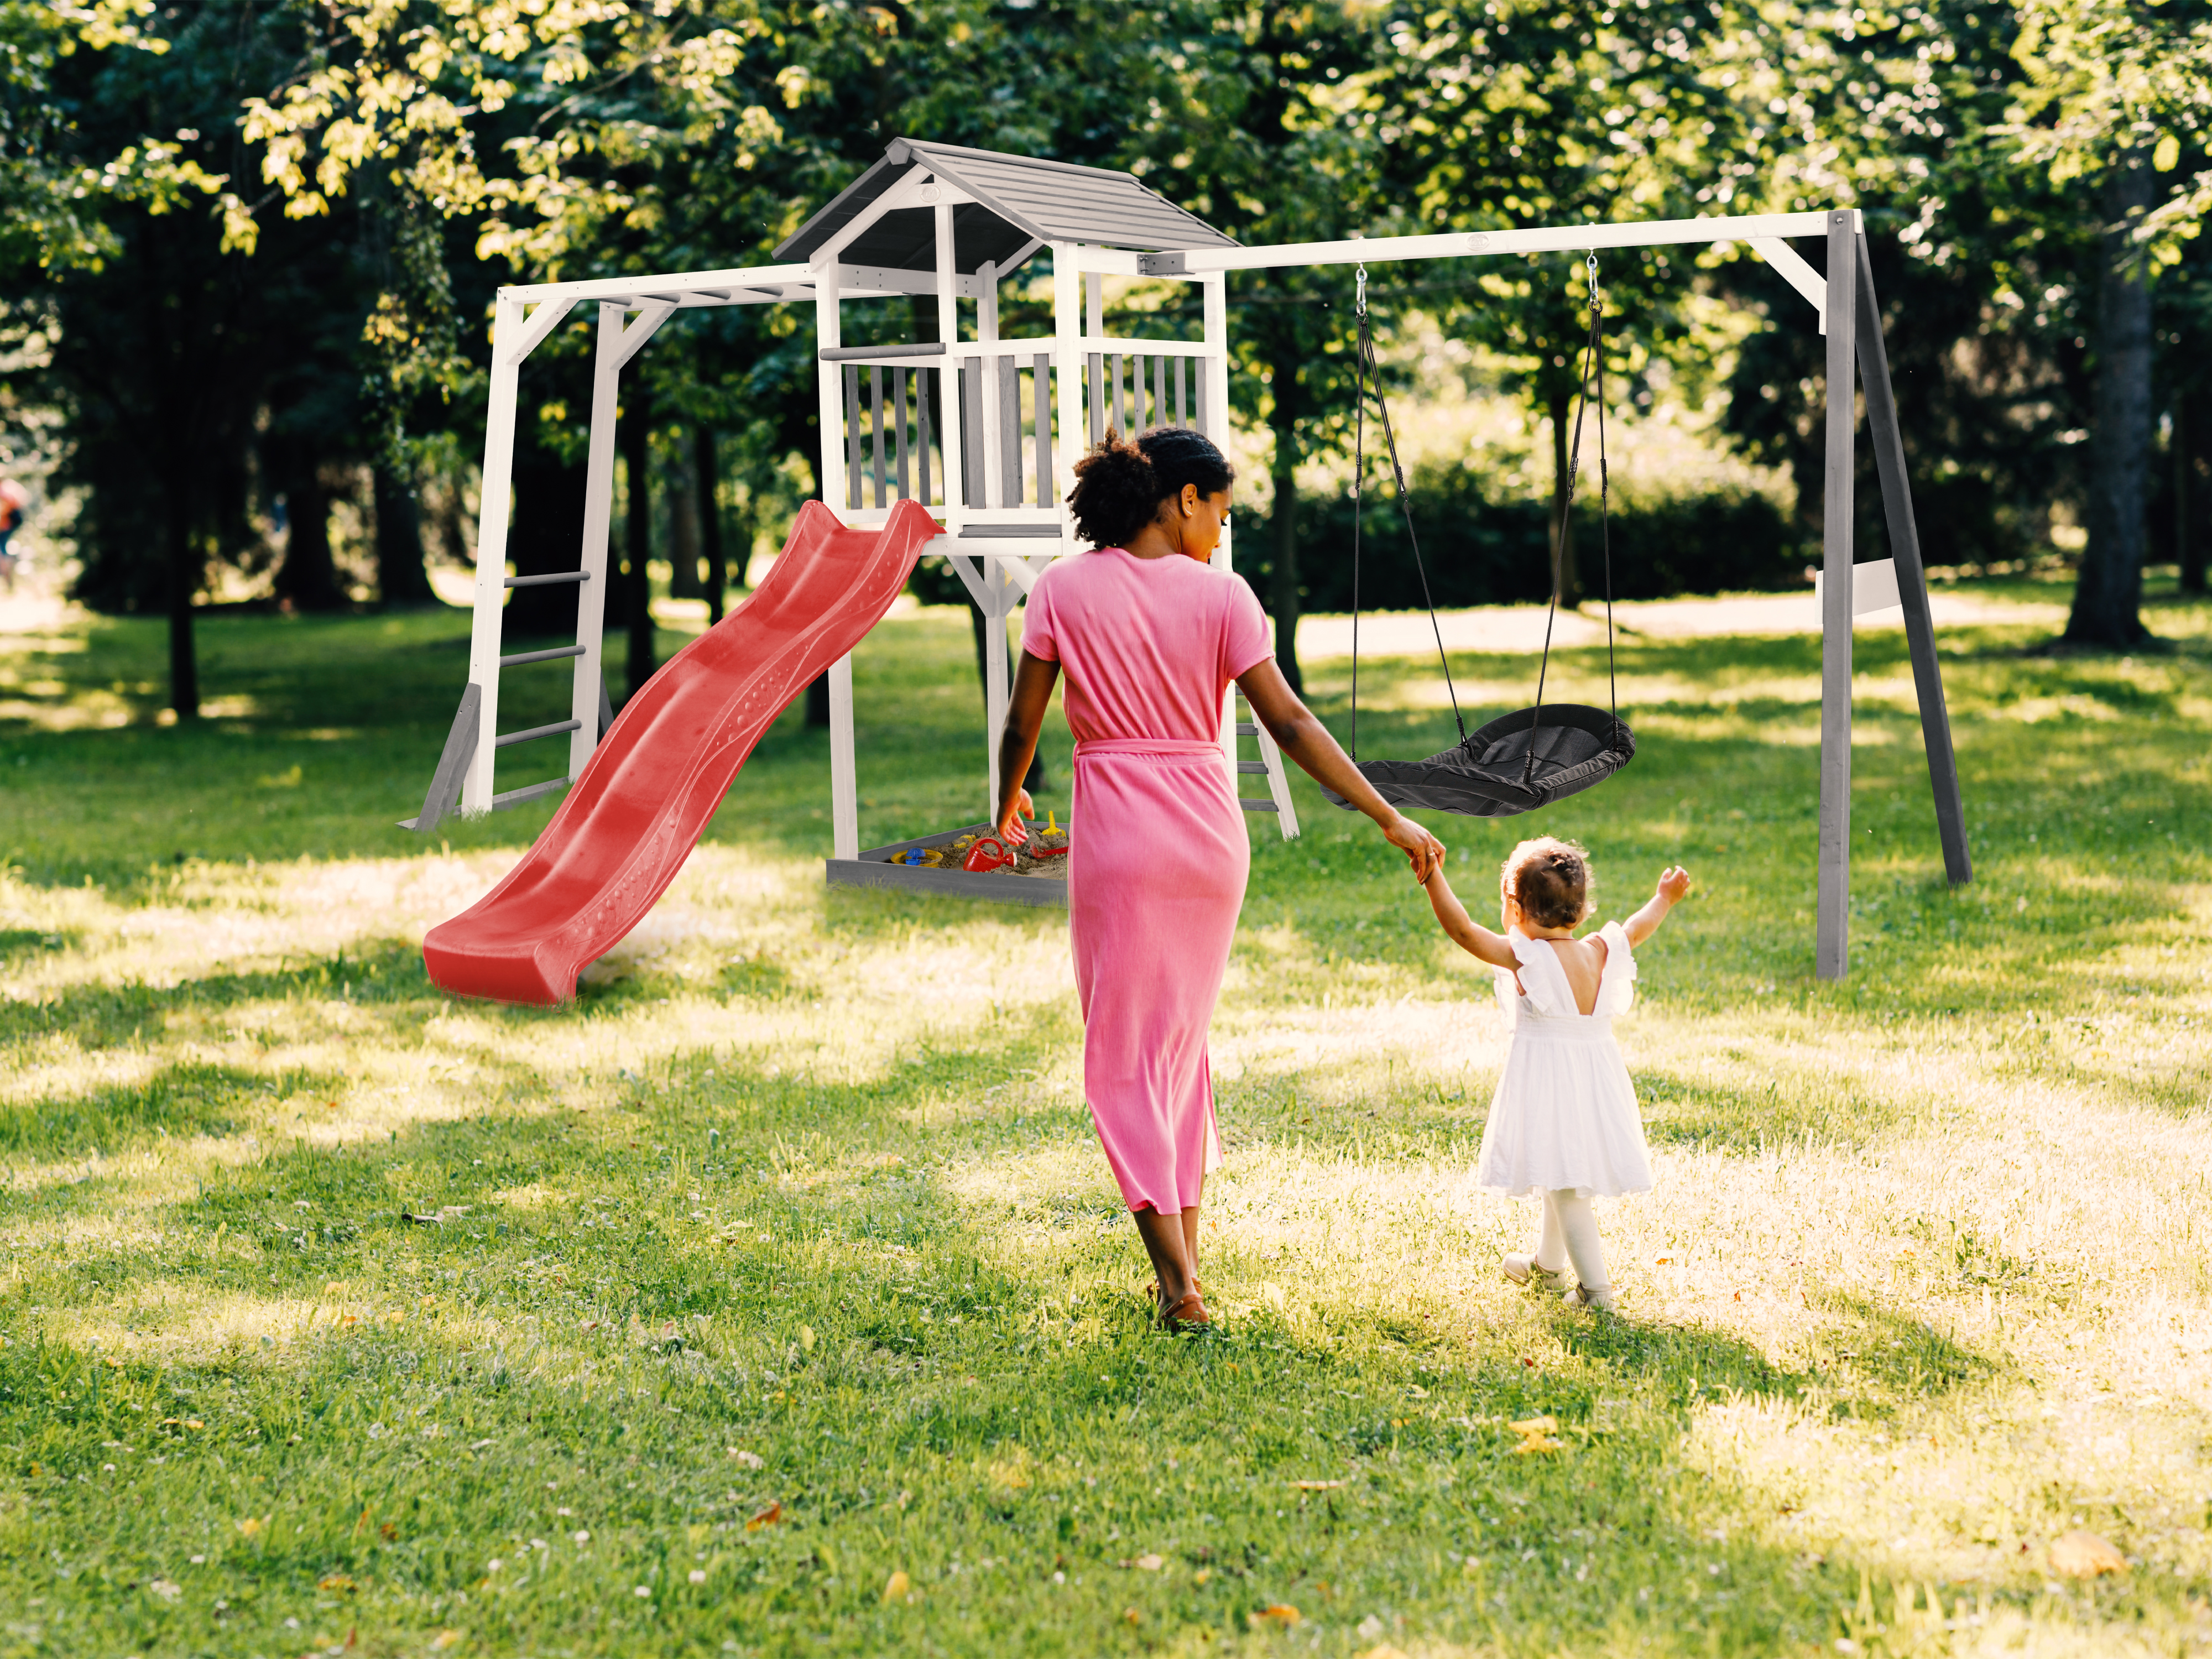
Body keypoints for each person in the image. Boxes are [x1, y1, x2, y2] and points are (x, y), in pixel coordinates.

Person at [994, 427, 1446, 1331]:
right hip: (1208, 838)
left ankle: (1177, 1286)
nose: (1222, 534)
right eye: (1222, 514)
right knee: (1176, 1054)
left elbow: (1023, 723)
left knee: (1123, 1061)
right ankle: (1186, 1271)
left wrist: (1003, 805)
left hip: (1120, 838)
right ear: (1184, 499)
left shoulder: (1061, 589)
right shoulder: (1224, 598)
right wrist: (1387, 812)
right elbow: (1290, 724)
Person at [1419, 837, 1691, 1312]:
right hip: (1594, 1082)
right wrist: (1664, 898)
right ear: (1582, 911)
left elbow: (1462, 931)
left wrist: (1432, 875)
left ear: (1515, 908)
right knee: (1556, 1169)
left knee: (1566, 1188)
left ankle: (1596, 1292)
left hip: (1551, 1084)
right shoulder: (1600, 950)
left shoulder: (1527, 958)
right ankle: (1547, 1268)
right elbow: (1636, 927)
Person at [0, 478, 27, 595]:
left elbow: (6, 508)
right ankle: (8, 576)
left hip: (9, 522)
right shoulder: (8, 486)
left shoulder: (4, 491)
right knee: (3, 549)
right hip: (12, 521)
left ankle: (7, 574)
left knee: (2, 550)